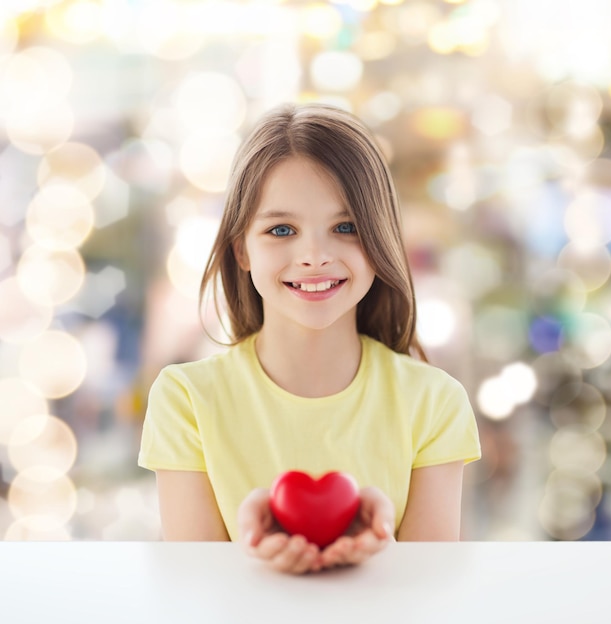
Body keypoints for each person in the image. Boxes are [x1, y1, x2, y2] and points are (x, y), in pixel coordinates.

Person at [138, 102, 481, 574]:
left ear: (381, 239)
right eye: (282, 229)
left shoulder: (435, 402)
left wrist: (380, 551)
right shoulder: (186, 400)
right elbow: (195, 594)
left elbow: (431, 597)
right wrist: (255, 551)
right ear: (242, 249)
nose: (315, 255)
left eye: (346, 227)